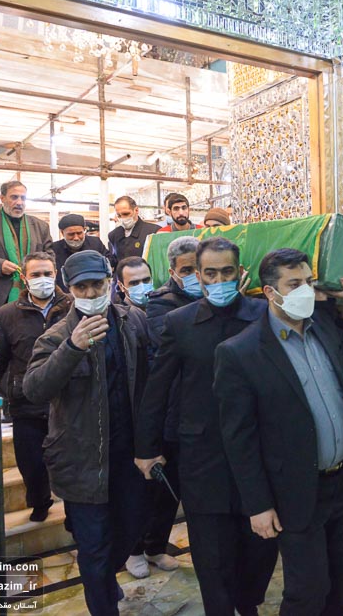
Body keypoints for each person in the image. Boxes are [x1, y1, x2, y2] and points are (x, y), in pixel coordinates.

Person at [216, 249, 343, 616]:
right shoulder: (240, 353)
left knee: (342, 585)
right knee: (308, 592)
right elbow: (239, 440)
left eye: (308, 281)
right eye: (294, 284)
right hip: (295, 491)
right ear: (270, 292)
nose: (305, 290)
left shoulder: (325, 328)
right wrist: (258, 505)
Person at [134, 237, 277, 616]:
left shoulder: (264, 314)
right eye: (210, 273)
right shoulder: (180, 323)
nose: (218, 281)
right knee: (211, 554)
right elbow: (158, 388)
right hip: (202, 456)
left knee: (260, 547)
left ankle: (248, 603)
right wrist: (146, 448)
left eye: (226, 272)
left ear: (240, 273)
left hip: (257, 452)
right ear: (197, 275)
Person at [23, 250, 152, 616]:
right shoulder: (56, 336)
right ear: (70, 289)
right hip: (82, 461)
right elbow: (34, 389)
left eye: (98, 284)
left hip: (129, 456)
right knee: (94, 549)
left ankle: (105, 579)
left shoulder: (133, 320)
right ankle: (103, 600)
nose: (92, 292)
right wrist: (72, 348)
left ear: (110, 282)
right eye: (83, 287)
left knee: (131, 529)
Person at [123, 236, 201, 578]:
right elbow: (184, 343)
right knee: (151, 490)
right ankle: (135, 548)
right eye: (188, 270)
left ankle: (156, 547)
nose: (196, 276)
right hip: (166, 412)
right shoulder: (160, 303)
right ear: (172, 272)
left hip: (193, 413)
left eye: (200, 269)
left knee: (172, 493)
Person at [0, 252, 74, 523]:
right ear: (24, 278)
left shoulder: (73, 307)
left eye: (47, 274)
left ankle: (74, 511)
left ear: (56, 275)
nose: (43, 279)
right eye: (36, 274)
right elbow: (0, 359)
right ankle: (39, 501)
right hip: (26, 401)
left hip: (66, 400)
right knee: (31, 463)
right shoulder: (6, 315)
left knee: (69, 461)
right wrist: (2, 394)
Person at [0, 181, 53, 309]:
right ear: (2, 198)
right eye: (14, 197)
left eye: (23, 198)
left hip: (34, 293)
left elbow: (50, 256)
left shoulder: (40, 226)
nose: (19, 202)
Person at [52, 213, 109, 291]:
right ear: (62, 233)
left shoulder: (95, 243)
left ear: (84, 229)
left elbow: (110, 261)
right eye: (71, 234)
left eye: (79, 233)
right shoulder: (54, 249)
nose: (76, 238)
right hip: (65, 294)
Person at [107, 196, 160, 267]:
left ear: (136, 210)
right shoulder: (113, 235)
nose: (123, 218)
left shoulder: (153, 231)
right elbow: (114, 260)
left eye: (126, 214)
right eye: (119, 215)